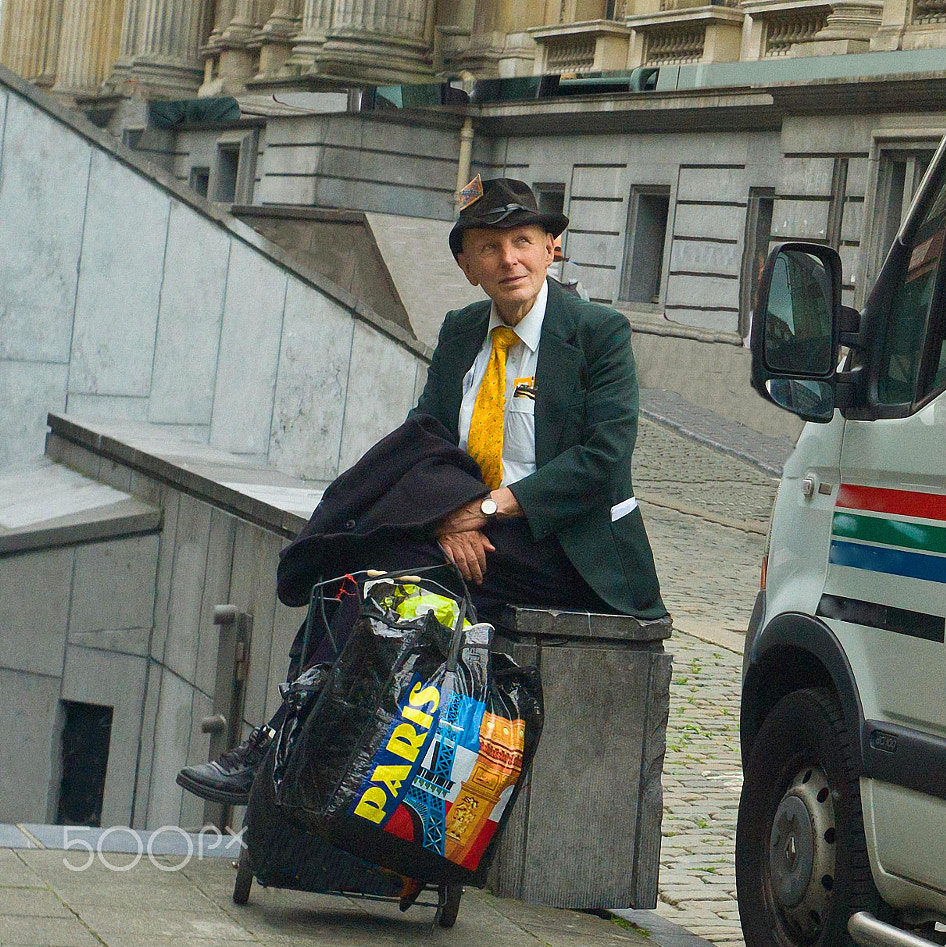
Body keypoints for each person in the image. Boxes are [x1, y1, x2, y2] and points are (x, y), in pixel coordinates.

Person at [177, 176, 665, 805]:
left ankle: (280, 745)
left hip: (569, 549)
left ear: (553, 248)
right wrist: (445, 521)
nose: (508, 260)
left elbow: (602, 460)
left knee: (390, 568)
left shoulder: (599, 333)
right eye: (488, 247)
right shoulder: (463, 331)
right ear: (467, 266)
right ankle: (294, 741)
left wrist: (481, 513)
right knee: (348, 562)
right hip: (475, 535)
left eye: (522, 240)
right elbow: (423, 441)